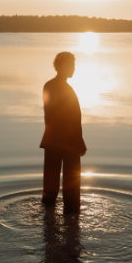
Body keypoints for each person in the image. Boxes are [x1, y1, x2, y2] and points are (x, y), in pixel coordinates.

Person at [40, 51, 87, 213]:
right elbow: (71, 119)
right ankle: (71, 214)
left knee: (50, 183)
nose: (73, 68)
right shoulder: (65, 89)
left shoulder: (48, 85)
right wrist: (79, 143)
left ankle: (48, 214)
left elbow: (51, 115)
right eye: (69, 65)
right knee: (72, 185)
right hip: (68, 142)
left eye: (73, 65)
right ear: (59, 66)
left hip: (52, 140)